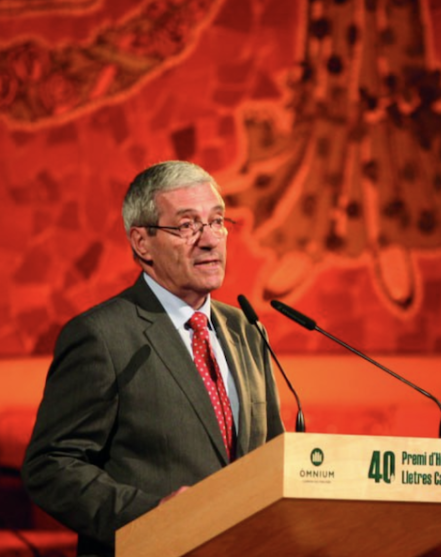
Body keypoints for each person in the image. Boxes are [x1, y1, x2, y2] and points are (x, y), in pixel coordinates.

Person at [22, 160, 285, 556]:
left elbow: (271, 455)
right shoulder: (101, 336)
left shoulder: (246, 329)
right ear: (142, 242)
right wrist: (151, 514)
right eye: (187, 226)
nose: (209, 240)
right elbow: (51, 465)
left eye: (217, 221)